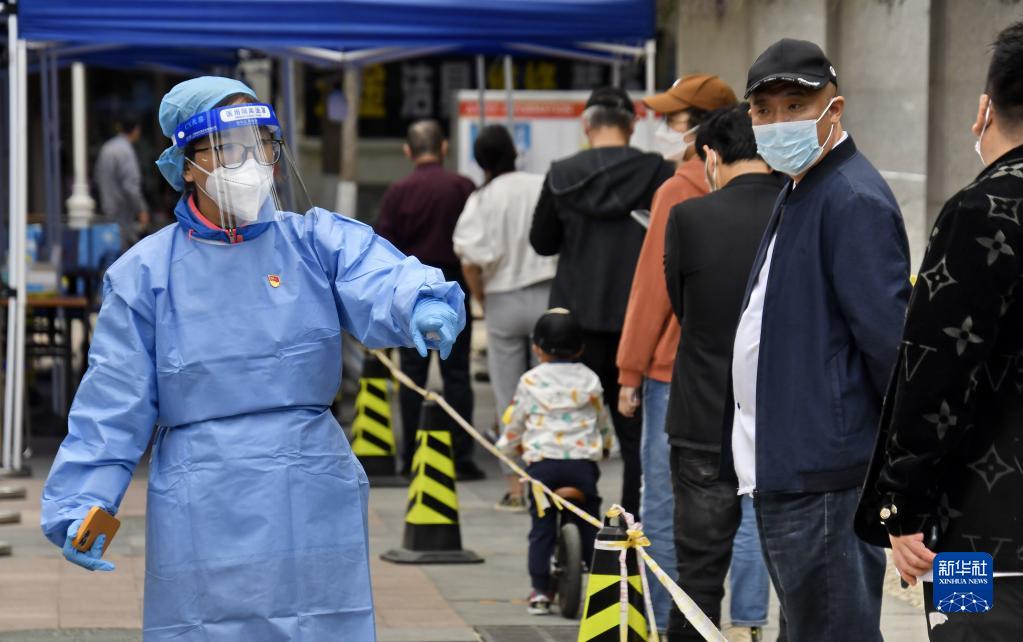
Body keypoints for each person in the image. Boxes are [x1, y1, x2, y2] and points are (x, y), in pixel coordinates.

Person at [40, 76, 466, 641]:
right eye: (225, 149)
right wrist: (82, 500)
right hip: (204, 490)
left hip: (310, 477)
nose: (249, 162)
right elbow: (114, 400)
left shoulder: (313, 241)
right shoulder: (146, 273)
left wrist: (420, 301)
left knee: (324, 627)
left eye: (260, 144)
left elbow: (379, 272)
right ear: (184, 165)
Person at [720, 40, 911, 641]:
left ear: (835, 109)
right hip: (787, 465)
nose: (779, 123)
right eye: (765, 110)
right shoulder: (802, 185)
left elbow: (891, 349)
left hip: (826, 474)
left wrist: (907, 479)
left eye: (796, 106)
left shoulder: (850, 197)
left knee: (833, 629)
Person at [856, 20, 1023, 640]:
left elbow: (936, 374)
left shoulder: (981, 212)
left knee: (965, 633)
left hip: (976, 533)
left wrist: (902, 506)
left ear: (985, 111)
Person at [614, 73, 737, 633]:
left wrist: (629, 370)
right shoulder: (774, 183)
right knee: (750, 503)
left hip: (672, 365)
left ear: (701, 125)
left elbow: (651, 287)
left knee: (665, 501)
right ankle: (752, 618)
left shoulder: (677, 188)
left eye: (675, 117)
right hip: (744, 364)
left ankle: (672, 619)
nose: (665, 127)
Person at [662, 104, 782, 642]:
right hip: (783, 421)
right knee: (797, 569)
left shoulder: (690, 218)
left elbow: (683, 308)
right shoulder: (798, 210)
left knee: (698, 575)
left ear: (711, 155)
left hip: (703, 416)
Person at [530, 86, 675, 516]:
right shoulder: (659, 172)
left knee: (570, 426)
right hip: (639, 322)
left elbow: (542, 241)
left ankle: (571, 523)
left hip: (573, 326)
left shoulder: (562, 173)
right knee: (636, 438)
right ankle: (631, 529)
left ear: (586, 126)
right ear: (632, 127)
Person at [453, 124, 557, 511]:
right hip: (547, 292)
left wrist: (481, 297)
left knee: (508, 399)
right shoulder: (540, 184)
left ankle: (515, 487)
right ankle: (547, 482)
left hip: (501, 300)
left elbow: (469, 258)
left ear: (481, 161)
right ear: (514, 152)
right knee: (548, 394)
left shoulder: (482, 199)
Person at [376, 120, 484, 481]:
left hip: (413, 293)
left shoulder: (397, 192)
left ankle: (411, 456)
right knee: (457, 373)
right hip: (454, 288)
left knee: (411, 374)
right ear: (444, 147)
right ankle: (462, 455)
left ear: (408, 150)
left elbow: (384, 249)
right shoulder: (463, 187)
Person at [496, 308, 614, 616]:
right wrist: (604, 448)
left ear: (536, 348)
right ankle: (599, 582)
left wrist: (507, 450)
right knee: (589, 519)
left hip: (543, 468)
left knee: (541, 527)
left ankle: (539, 591)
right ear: (580, 348)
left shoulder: (530, 381)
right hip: (582, 467)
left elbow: (515, 422)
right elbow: (602, 422)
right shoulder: (590, 379)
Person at [94, 115, 150, 250]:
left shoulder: (107, 147)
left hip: (106, 210)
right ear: (136, 130)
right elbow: (130, 186)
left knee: (108, 254)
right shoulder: (125, 151)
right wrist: (141, 209)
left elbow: (97, 177)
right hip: (122, 213)